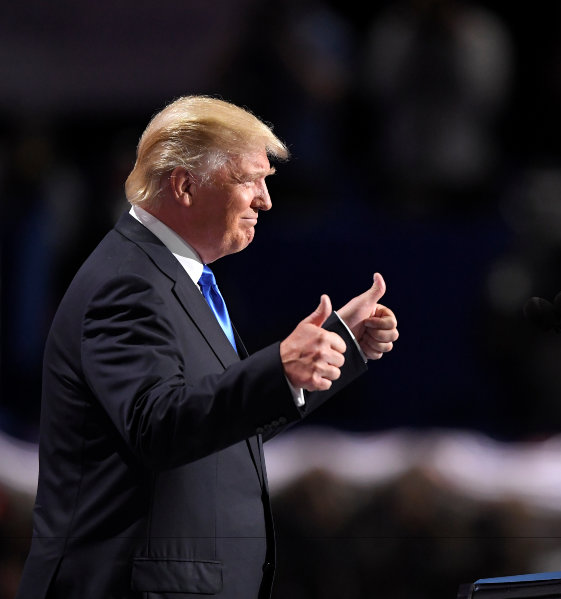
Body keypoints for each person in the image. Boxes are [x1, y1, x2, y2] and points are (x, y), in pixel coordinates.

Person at [14, 95, 399, 599]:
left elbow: (223, 421)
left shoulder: (172, 276)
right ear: (185, 185)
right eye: (250, 180)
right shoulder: (127, 283)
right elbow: (159, 424)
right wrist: (279, 368)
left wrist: (338, 346)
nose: (264, 200)